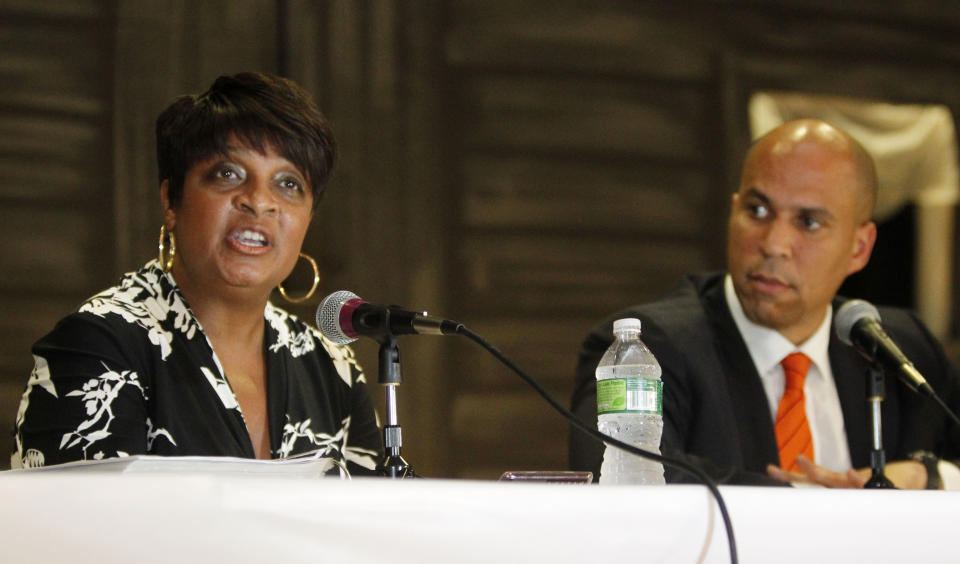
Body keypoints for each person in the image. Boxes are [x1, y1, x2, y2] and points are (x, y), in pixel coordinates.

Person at [12, 72, 382, 474]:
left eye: (288, 183)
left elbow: (366, 527)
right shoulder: (101, 345)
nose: (259, 202)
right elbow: (75, 529)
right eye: (228, 174)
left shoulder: (331, 368)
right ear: (171, 201)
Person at [570, 119, 960, 488]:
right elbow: (622, 479)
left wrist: (930, 474)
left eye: (808, 222)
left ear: (860, 248)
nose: (773, 244)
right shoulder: (647, 350)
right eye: (757, 211)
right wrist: (823, 505)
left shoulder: (900, 349)